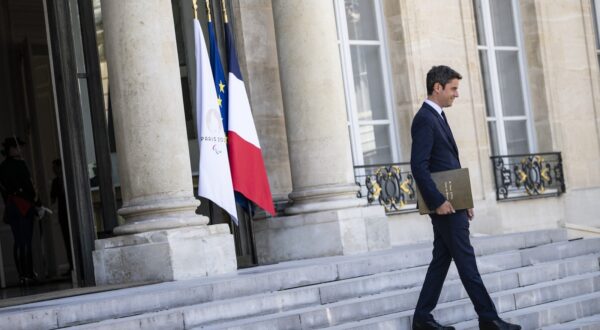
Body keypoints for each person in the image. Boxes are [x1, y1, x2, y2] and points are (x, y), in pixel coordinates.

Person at [410, 66, 520, 330]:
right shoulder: (425, 118)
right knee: (466, 261)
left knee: (441, 261)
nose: (456, 95)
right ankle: (488, 318)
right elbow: (419, 166)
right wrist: (438, 201)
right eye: (453, 89)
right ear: (437, 87)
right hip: (444, 207)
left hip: (452, 203)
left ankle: (422, 318)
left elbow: (448, 165)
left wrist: (465, 199)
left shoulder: (438, 116)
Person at [0, 137, 38, 285]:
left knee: (18, 241)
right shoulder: (20, 164)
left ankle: (22, 274)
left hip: (11, 206)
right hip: (23, 205)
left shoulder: (1, 167)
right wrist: (37, 204)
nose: (20, 150)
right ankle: (28, 274)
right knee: (26, 241)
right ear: (11, 150)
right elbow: (28, 186)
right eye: (17, 147)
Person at [50, 159, 73, 275]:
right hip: (62, 213)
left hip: (72, 212)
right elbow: (52, 198)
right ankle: (71, 265)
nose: (54, 171)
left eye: (55, 168)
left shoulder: (69, 178)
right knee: (67, 240)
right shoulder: (55, 182)